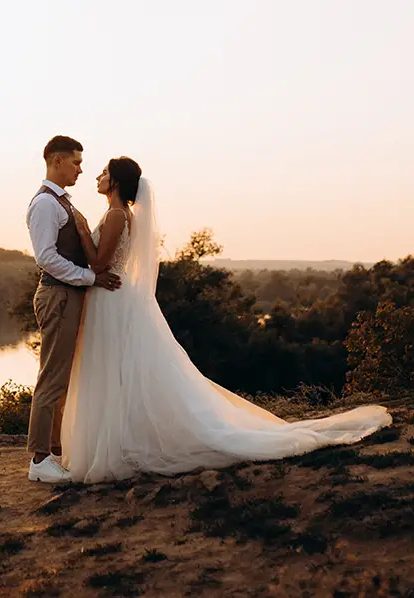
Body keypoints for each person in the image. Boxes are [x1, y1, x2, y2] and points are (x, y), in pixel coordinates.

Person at [60, 156, 392, 483]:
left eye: (104, 172)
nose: (97, 176)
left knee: (109, 369)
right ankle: (119, 441)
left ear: (115, 181)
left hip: (111, 297)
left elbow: (100, 264)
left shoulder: (117, 214)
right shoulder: (121, 213)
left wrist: (82, 229)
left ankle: (114, 446)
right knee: (116, 371)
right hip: (112, 297)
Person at [23, 135, 122, 483]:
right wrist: (89, 277)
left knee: (62, 378)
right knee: (51, 378)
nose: (82, 169)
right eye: (76, 162)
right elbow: (46, 257)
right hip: (58, 296)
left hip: (69, 295)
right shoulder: (46, 205)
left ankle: (55, 451)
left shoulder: (62, 201)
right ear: (57, 160)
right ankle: (39, 460)